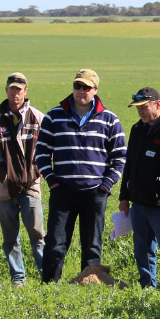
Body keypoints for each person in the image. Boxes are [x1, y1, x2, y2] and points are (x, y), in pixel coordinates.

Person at [36, 69, 127, 283]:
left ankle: (90, 287)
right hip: (63, 191)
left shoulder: (110, 119)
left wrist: (106, 185)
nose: (81, 91)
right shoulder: (54, 116)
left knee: (92, 245)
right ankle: (50, 287)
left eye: (86, 87)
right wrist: (52, 181)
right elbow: (41, 153)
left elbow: (121, 156)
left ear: (95, 90)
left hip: (95, 192)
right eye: (78, 86)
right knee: (56, 243)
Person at [118, 87, 160, 296]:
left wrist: (159, 189)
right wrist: (124, 196)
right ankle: (148, 290)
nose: (140, 112)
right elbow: (130, 165)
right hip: (138, 203)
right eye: (138, 108)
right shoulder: (138, 129)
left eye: (144, 107)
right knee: (142, 251)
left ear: (158, 104)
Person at [0, 72, 46, 285]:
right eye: (12, 89)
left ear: (26, 92)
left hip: (31, 187)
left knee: (38, 235)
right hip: (5, 188)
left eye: (19, 89)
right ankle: (17, 278)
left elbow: (46, 152)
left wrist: (31, 176)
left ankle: (46, 277)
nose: (15, 93)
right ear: (6, 91)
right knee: (10, 238)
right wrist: (8, 179)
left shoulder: (38, 118)